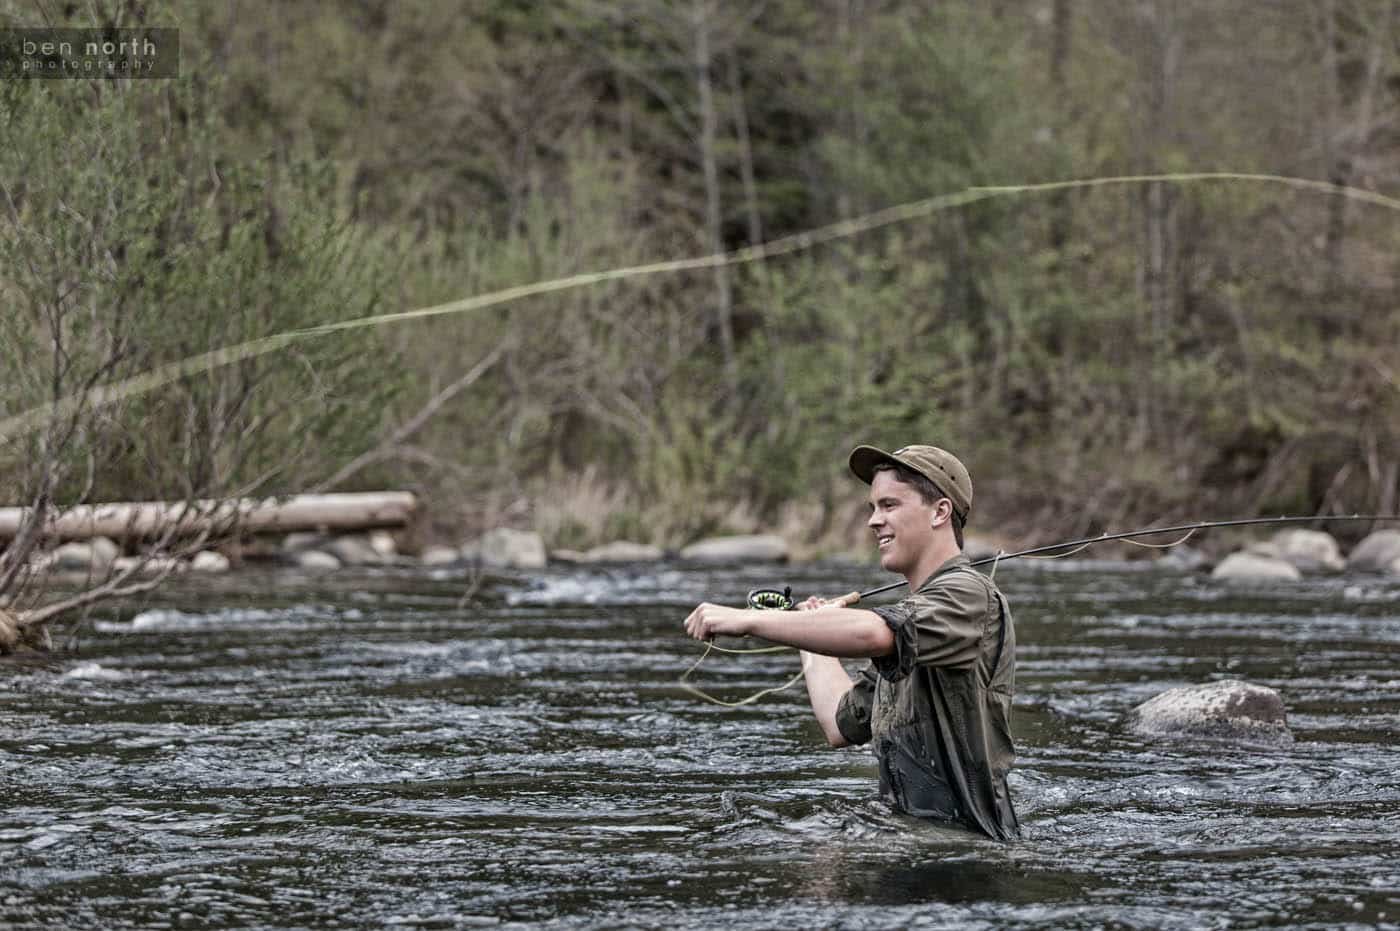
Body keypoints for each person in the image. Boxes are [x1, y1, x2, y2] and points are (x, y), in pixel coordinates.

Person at [682, 444, 1019, 841]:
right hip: (914, 838)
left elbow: (873, 631)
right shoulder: (913, 627)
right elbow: (839, 724)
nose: (874, 521)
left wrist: (751, 620)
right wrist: (809, 633)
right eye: (872, 507)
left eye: (889, 505)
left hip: (969, 849)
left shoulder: (967, 593)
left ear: (940, 512)